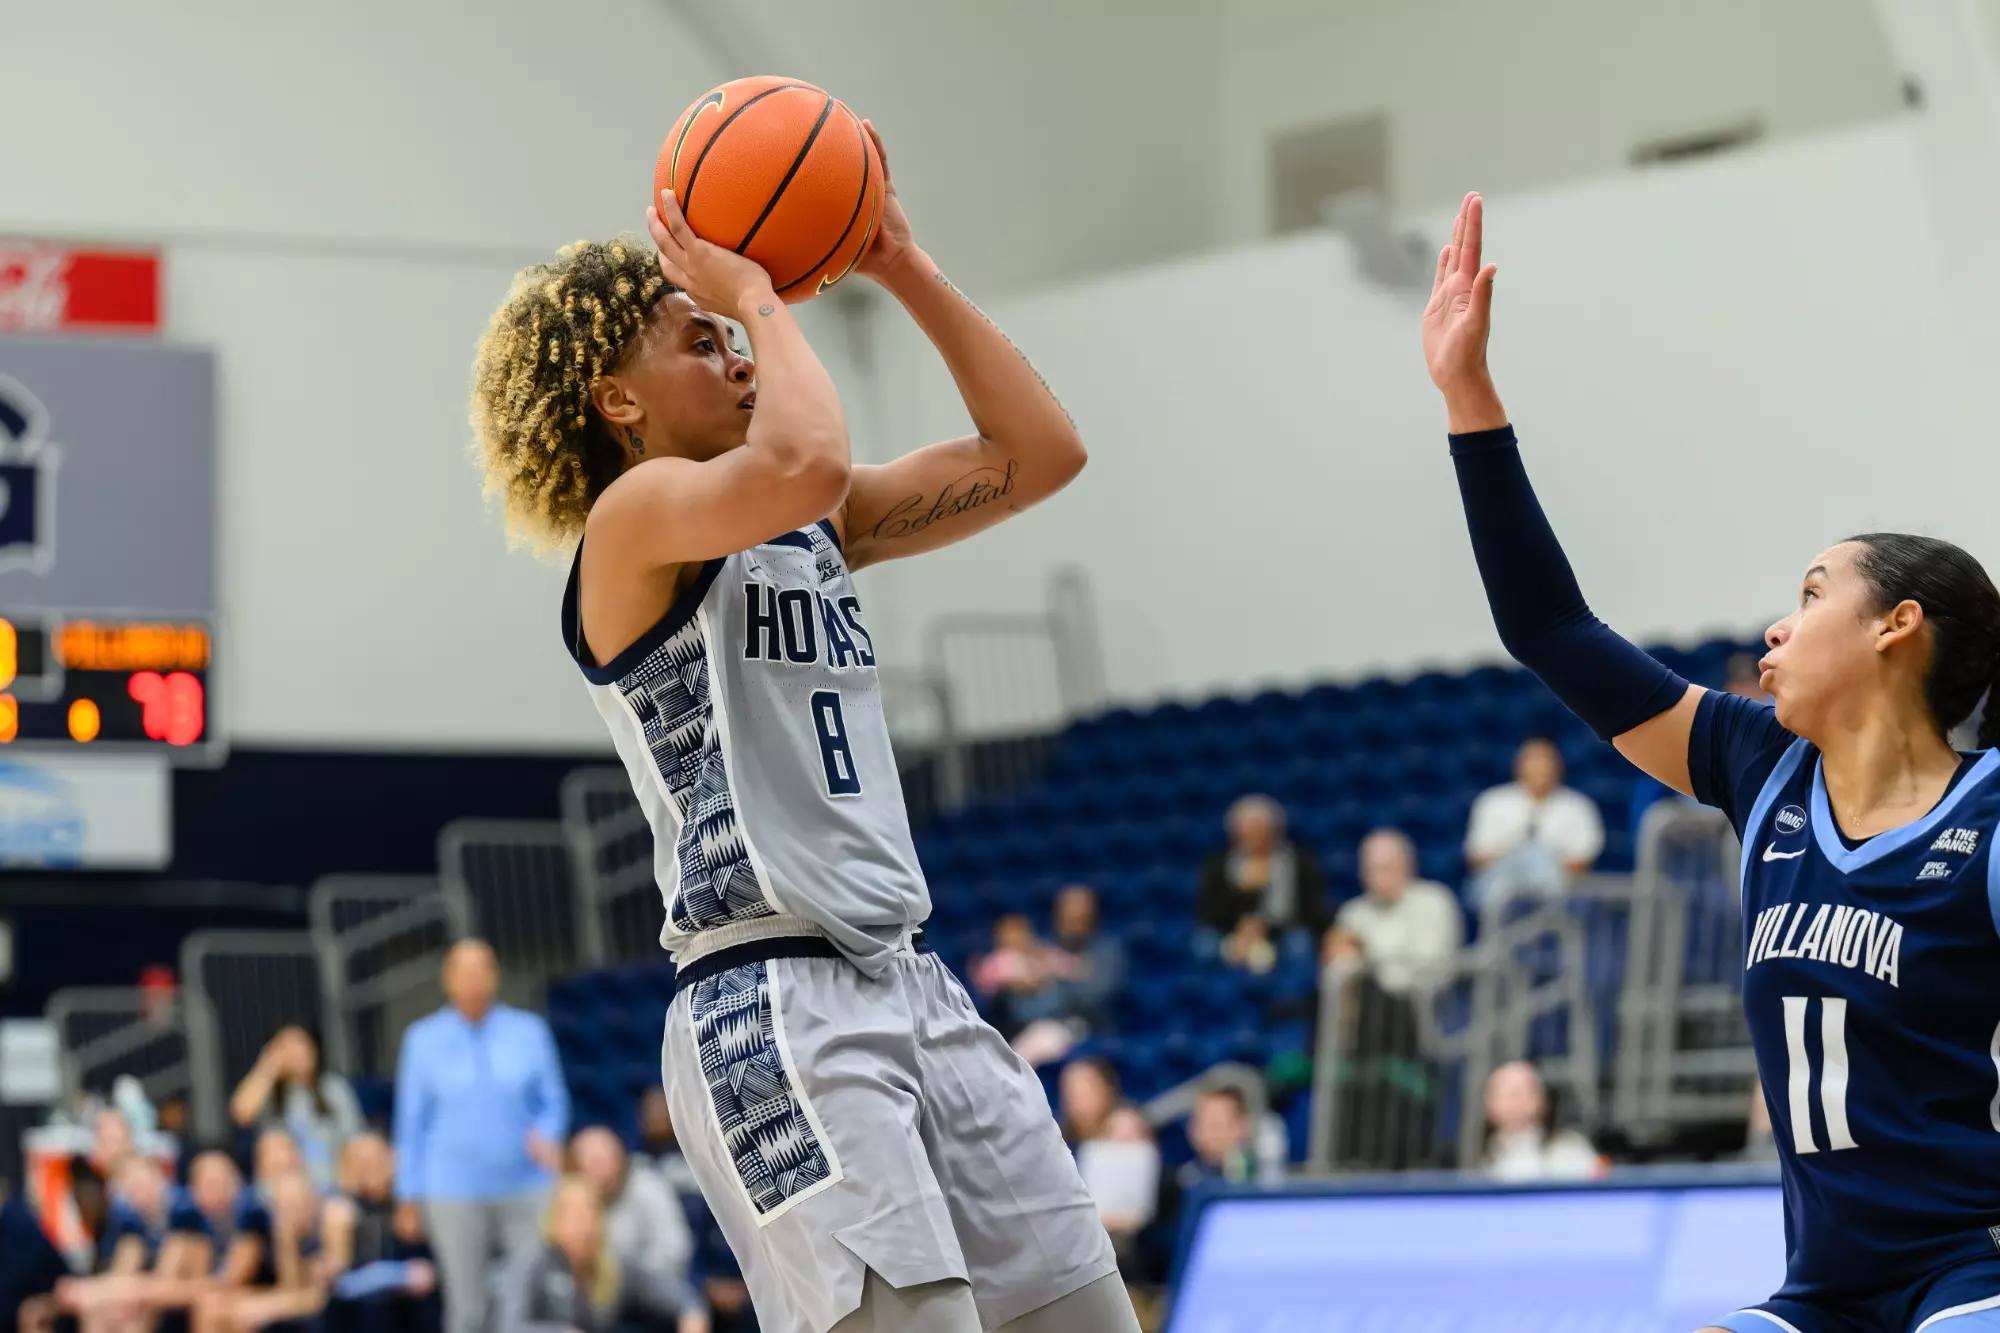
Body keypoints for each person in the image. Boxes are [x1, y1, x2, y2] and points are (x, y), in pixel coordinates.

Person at [469, 121, 1131, 1333]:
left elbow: (1041, 452)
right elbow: (809, 456)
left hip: (914, 983)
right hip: (770, 1003)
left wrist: (900, 265)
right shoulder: (632, 522)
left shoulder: (807, 520)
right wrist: (758, 290)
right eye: (698, 340)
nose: (732, 353)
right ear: (616, 398)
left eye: (731, 339)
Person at [1426, 189, 2000, 1333]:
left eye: (1808, 594)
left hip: (1969, 1269)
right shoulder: (1758, 765)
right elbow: (1549, 628)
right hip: (1822, 1289)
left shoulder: (1986, 820)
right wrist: (1467, 401)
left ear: (1896, 626)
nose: (1775, 629)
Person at [391, 939, 566, 1333]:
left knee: (530, 1300)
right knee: (467, 1307)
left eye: (481, 969)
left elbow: (553, 1099)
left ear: (495, 975)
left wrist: (547, 1133)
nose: (473, 980)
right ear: (447, 980)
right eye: (463, 971)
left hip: (527, 1183)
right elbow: (410, 1124)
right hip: (451, 1189)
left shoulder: (529, 1030)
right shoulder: (421, 1039)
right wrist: (408, 1195)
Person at [492, 1176, 706, 1333]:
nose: (583, 1225)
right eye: (573, 1215)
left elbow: (679, 1298)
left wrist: (692, 1315)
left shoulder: (613, 1262)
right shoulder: (532, 1260)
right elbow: (508, 1326)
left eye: (590, 1214)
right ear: (554, 1220)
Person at [1462, 738, 1604, 909]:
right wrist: (1519, 855)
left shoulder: (1578, 806)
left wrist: (1542, 857)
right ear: (1518, 765)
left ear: (1558, 767)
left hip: (1559, 883)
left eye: (1545, 762)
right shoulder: (1493, 801)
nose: (1539, 769)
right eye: (1533, 761)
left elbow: (1581, 862)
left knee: (1540, 859)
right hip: (1500, 879)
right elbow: (1477, 857)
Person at [1196, 795, 1328, 972]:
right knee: (1205, 944)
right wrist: (1240, 891)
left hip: (1282, 931)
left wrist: (1266, 926)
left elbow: (1312, 909)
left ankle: (1292, 995)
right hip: (1232, 931)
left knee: (1300, 942)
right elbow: (1209, 913)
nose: (1255, 836)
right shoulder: (1219, 866)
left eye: (1260, 829)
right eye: (1249, 830)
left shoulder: (1298, 862)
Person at [1325, 828, 1463, 994]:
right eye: (1371, 870)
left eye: (1387, 868)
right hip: (1367, 1005)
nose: (1379, 879)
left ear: (1409, 865)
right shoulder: (1352, 912)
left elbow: (1430, 970)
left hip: (1422, 1005)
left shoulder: (1433, 901)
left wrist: (1367, 962)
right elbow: (1338, 970)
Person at [192, 1170, 330, 1333]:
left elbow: (313, 1296)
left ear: (311, 1204)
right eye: (283, 1205)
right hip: (280, 1294)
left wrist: (287, 1245)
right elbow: (239, 1276)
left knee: (242, 1314)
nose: (290, 1212)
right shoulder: (269, 1234)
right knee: (212, 1305)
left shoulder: (318, 1239)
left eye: (297, 1204)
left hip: (307, 1304)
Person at [229, 1026, 364, 1194]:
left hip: (329, 1186)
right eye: (288, 1047)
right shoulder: (268, 1094)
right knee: (274, 1145)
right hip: (283, 1193)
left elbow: (353, 1140)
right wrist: (268, 1067)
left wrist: (346, 1193)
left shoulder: (333, 1088)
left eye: (302, 1044)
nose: (297, 1052)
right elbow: (241, 1113)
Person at [323, 1134, 436, 1333]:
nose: (371, 1169)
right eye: (361, 1162)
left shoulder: (413, 1202)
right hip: (364, 1309)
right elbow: (340, 1285)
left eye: (377, 1159)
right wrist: (396, 1276)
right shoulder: (341, 1209)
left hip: (417, 1306)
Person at [568, 1126, 695, 1301]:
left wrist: (632, 1278)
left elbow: (675, 1249)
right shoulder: (572, 1200)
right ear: (577, 1168)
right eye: (593, 1163)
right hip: (594, 1299)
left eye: (606, 1160)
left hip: (651, 1295)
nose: (602, 1171)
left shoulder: (647, 1186)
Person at [1473, 1061, 1599, 1182]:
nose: (1514, 1100)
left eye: (1522, 1092)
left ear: (1542, 1101)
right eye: (1504, 1092)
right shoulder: (1486, 1160)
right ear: (1488, 1103)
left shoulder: (1570, 1150)